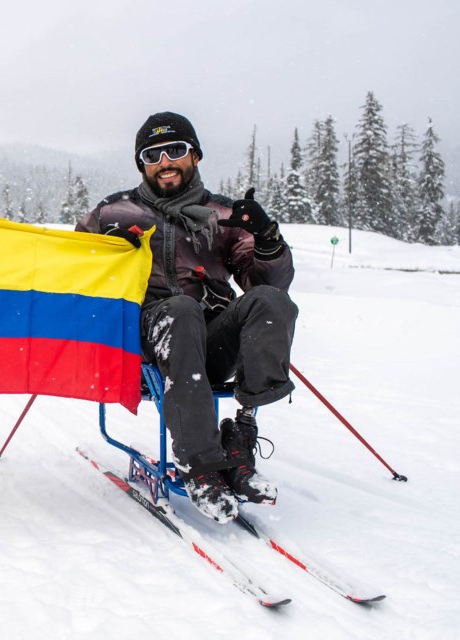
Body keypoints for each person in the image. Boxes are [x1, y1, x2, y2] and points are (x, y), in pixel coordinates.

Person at [76, 112, 297, 524]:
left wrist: (268, 239)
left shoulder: (224, 215)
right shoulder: (113, 212)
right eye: (152, 154)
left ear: (194, 155)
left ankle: (240, 439)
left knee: (271, 303)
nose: (165, 161)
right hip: (145, 339)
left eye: (175, 150)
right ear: (141, 164)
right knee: (180, 310)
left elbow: (264, 281)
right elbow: (71, 271)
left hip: (210, 337)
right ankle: (201, 465)